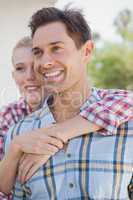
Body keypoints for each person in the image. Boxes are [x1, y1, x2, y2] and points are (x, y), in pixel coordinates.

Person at [1, 8, 133, 199]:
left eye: (57, 48)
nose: (45, 62)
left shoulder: (127, 125)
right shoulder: (18, 134)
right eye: (38, 52)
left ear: (86, 51)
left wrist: (60, 133)